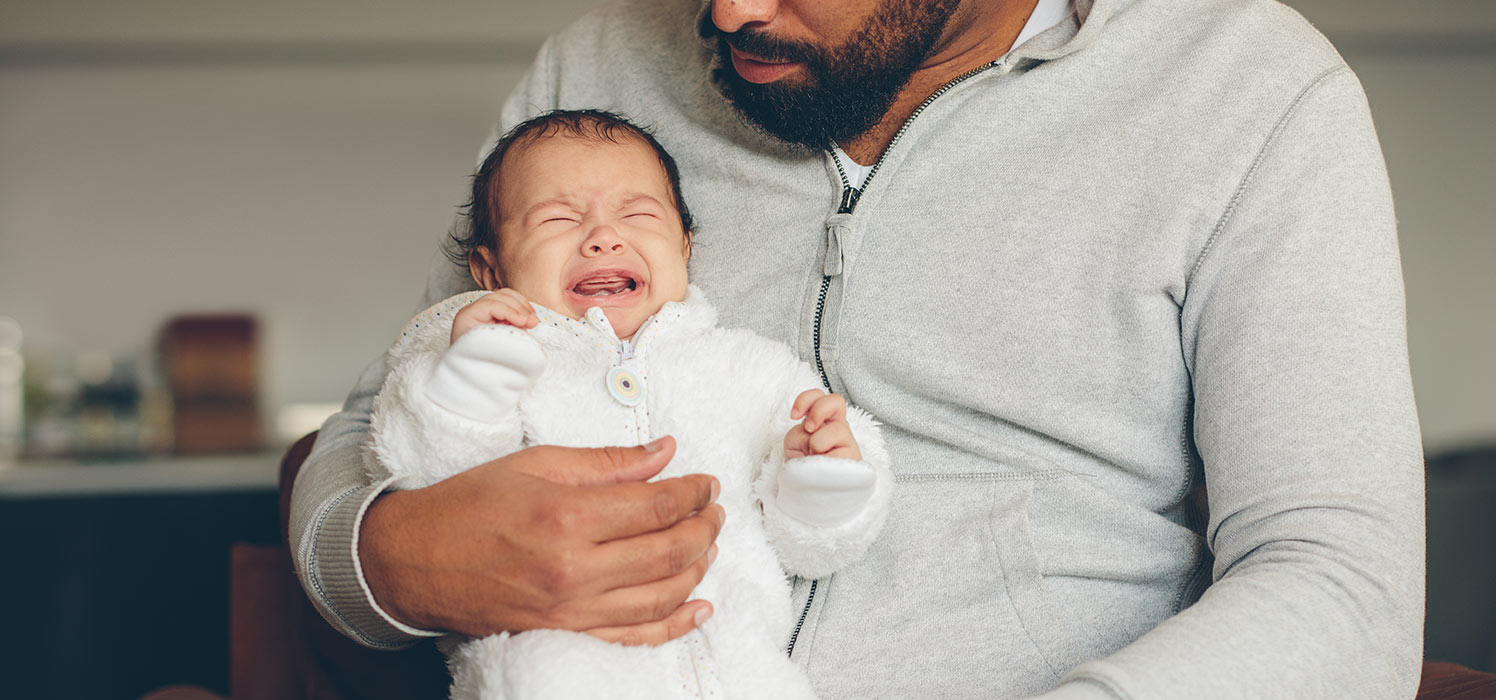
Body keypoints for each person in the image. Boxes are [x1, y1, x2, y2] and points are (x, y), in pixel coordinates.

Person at [292, 0, 1427, 697]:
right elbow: (371, 427)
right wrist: (390, 560)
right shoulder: (594, 73)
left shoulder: (1245, 92)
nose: (729, 11)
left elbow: (1340, 584)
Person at [368, 109, 889, 699]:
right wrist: (469, 385)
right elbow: (424, 479)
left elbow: (812, 547)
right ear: (491, 269)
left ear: (684, 248)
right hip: (557, 673)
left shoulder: (744, 368)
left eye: (638, 214)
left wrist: (822, 478)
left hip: (741, 669)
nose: (602, 236)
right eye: (558, 219)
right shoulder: (486, 359)